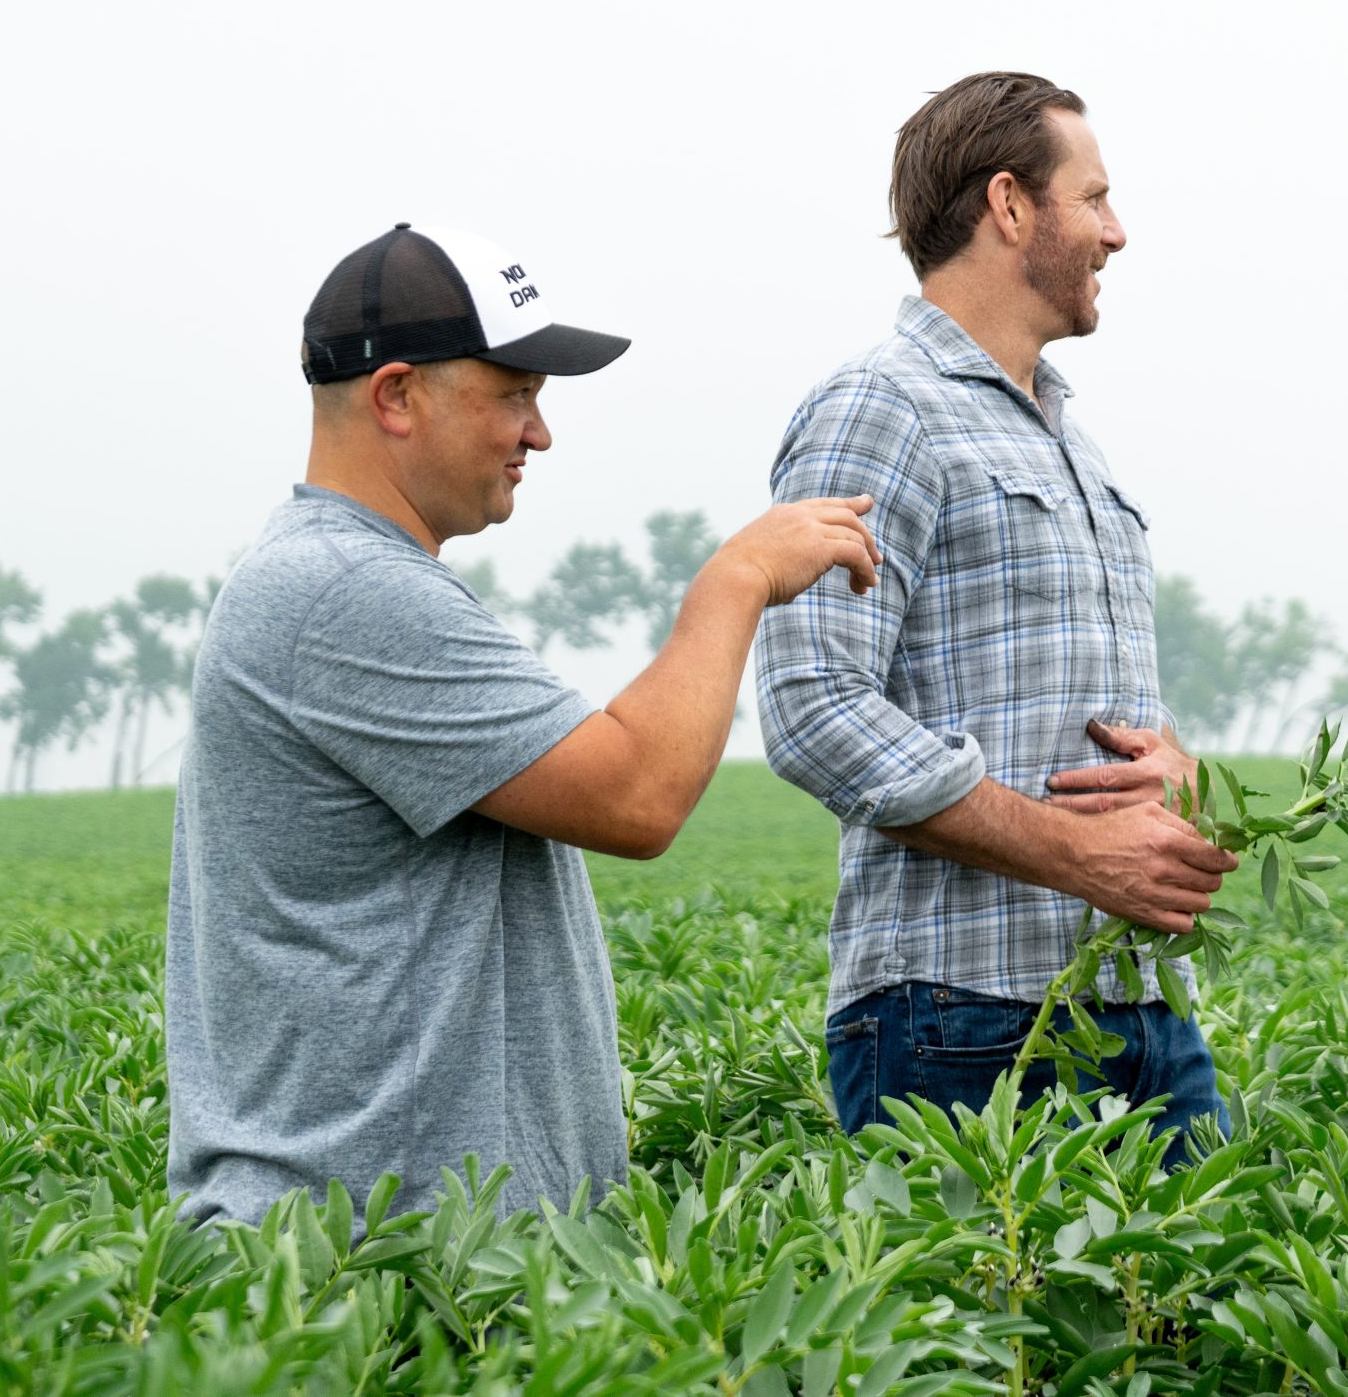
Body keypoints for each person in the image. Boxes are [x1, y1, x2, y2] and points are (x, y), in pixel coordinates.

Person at [167, 222, 879, 1226]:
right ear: (397, 396)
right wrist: (738, 580)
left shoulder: (341, 579)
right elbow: (638, 795)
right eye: (512, 393)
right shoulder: (345, 590)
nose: (538, 432)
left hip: (407, 1255)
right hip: (369, 1269)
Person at [755, 74, 1237, 1149]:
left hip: (1138, 1002)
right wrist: (1076, 854)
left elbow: (1061, 711)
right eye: (1095, 198)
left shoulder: (1068, 435)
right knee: (988, 1318)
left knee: (1209, 1311)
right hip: (959, 1014)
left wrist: (1181, 775)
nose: (1118, 233)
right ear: (1011, 206)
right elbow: (811, 707)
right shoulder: (880, 406)